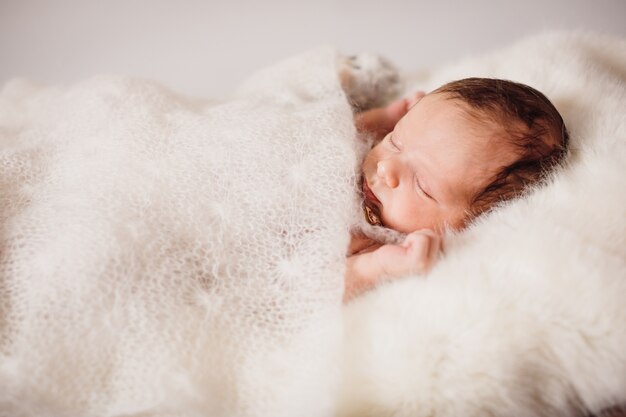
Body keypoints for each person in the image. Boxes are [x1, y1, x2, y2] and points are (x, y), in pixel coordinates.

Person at [344, 78, 569, 302]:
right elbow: (340, 132)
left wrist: (373, 267)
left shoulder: (374, 242)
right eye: (395, 141)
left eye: (422, 185)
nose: (385, 167)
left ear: (470, 224)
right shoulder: (355, 152)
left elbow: (315, 283)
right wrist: (384, 118)